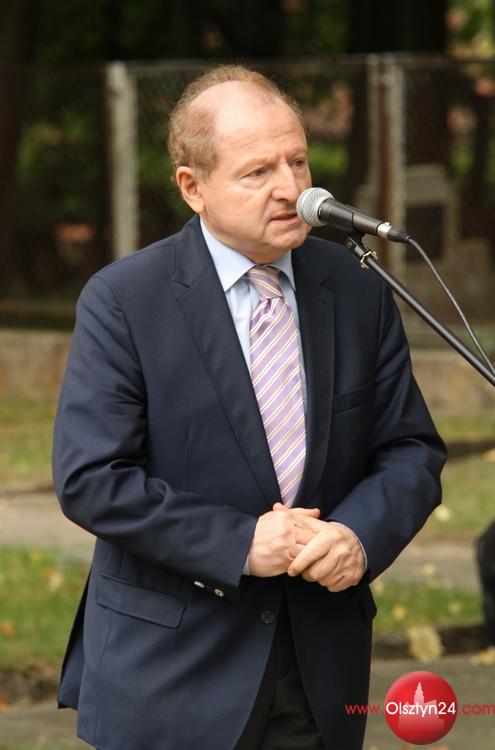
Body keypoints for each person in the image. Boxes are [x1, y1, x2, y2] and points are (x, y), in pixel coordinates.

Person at [52, 65, 447, 750]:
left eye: (298, 161)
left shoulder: (358, 290)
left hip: (318, 662)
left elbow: (409, 449)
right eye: (258, 171)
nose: (292, 188)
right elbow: (92, 478)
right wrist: (237, 543)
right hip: (169, 670)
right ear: (192, 187)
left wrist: (358, 536)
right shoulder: (125, 300)